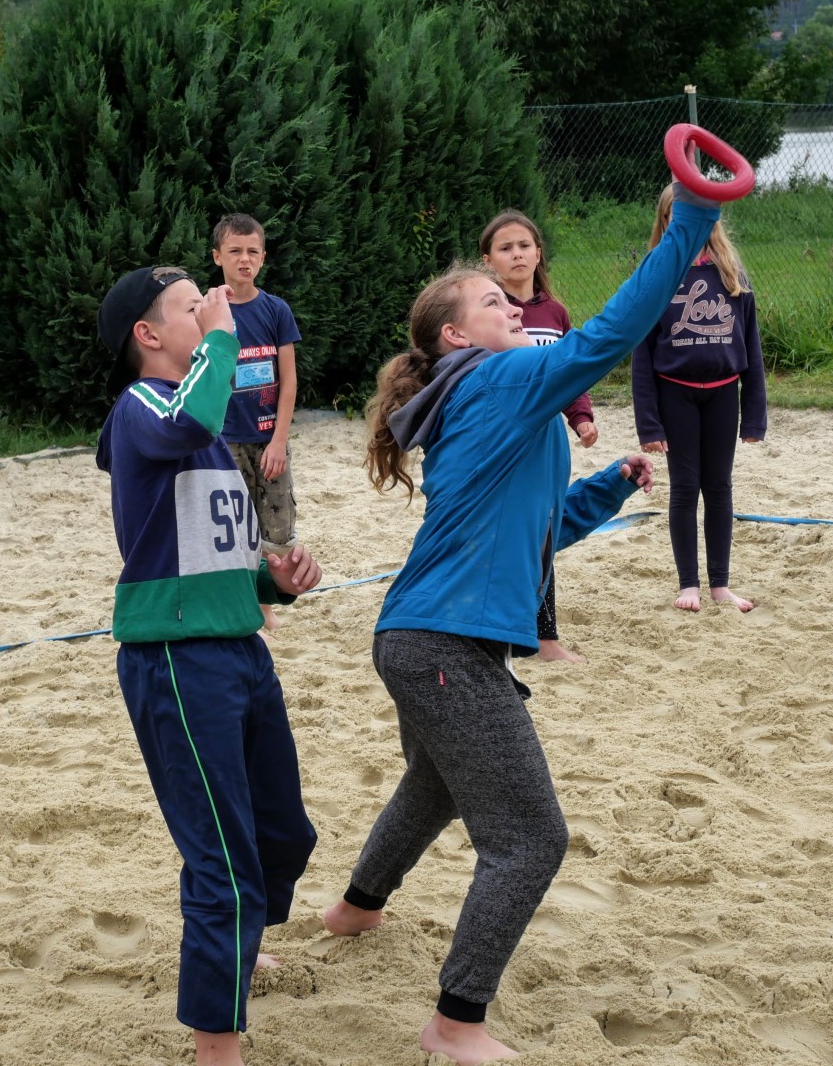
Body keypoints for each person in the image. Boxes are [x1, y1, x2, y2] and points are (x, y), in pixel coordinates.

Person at [323, 181, 729, 1066]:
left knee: (435, 787)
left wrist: (603, 491)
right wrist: (690, 223)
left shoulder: (499, 402)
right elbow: (611, 335)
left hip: (421, 637)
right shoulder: (497, 379)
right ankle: (454, 1022)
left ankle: (355, 909)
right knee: (530, 840)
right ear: (457, 337)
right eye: (490, 301)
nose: (512, 305)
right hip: (442, 644)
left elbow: (536, 532)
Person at [94, 265, 323, 1066]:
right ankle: (216, 1047)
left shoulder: (203, 425)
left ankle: (241, 946)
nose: (215, 310)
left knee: (283, 834)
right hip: (177, 659)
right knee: (222, 861)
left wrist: (273, 580)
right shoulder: (144, 408)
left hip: (238, 647)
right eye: (195, 306)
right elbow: (187, 420)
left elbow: (209, 551)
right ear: (149, 335)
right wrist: (223, 338)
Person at [631, 185, 767, 613]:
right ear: (665, 221)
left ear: (710, 219)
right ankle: (688, 583)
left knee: (720, 487)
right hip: (676, 396)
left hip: (724, 394)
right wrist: (649, 424)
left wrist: (755, 416)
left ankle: (720, 585)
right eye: (677, 213)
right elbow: (641, 356)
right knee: (685, 488)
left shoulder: (731, 273)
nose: (686, 220)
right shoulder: (657, 274)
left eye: (696, 212)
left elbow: (752, 348)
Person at [480, 209, 597, 662]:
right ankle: (491, 632)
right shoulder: (486, 314)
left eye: (524, 245)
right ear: (488, 260)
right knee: (499, 534)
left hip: (546, 445)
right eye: (505, 247)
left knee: (545, 534)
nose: (517, 254)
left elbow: (570, 372)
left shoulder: (555, 313)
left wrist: (581, 417)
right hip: (502, 441)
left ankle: (545, 639)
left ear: (538, 253)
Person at [212, 213, 303, 632]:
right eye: (235, 251)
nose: (244, 259)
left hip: (269, 440)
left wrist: (279, 440)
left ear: (263, 257)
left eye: (252, 251)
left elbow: (289, 380)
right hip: (224, 441)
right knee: (234, 527)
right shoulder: (208, 311)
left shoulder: (276, 310)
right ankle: (242, 606)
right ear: (218, 256)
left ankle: (266, 605)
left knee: (276, 528)